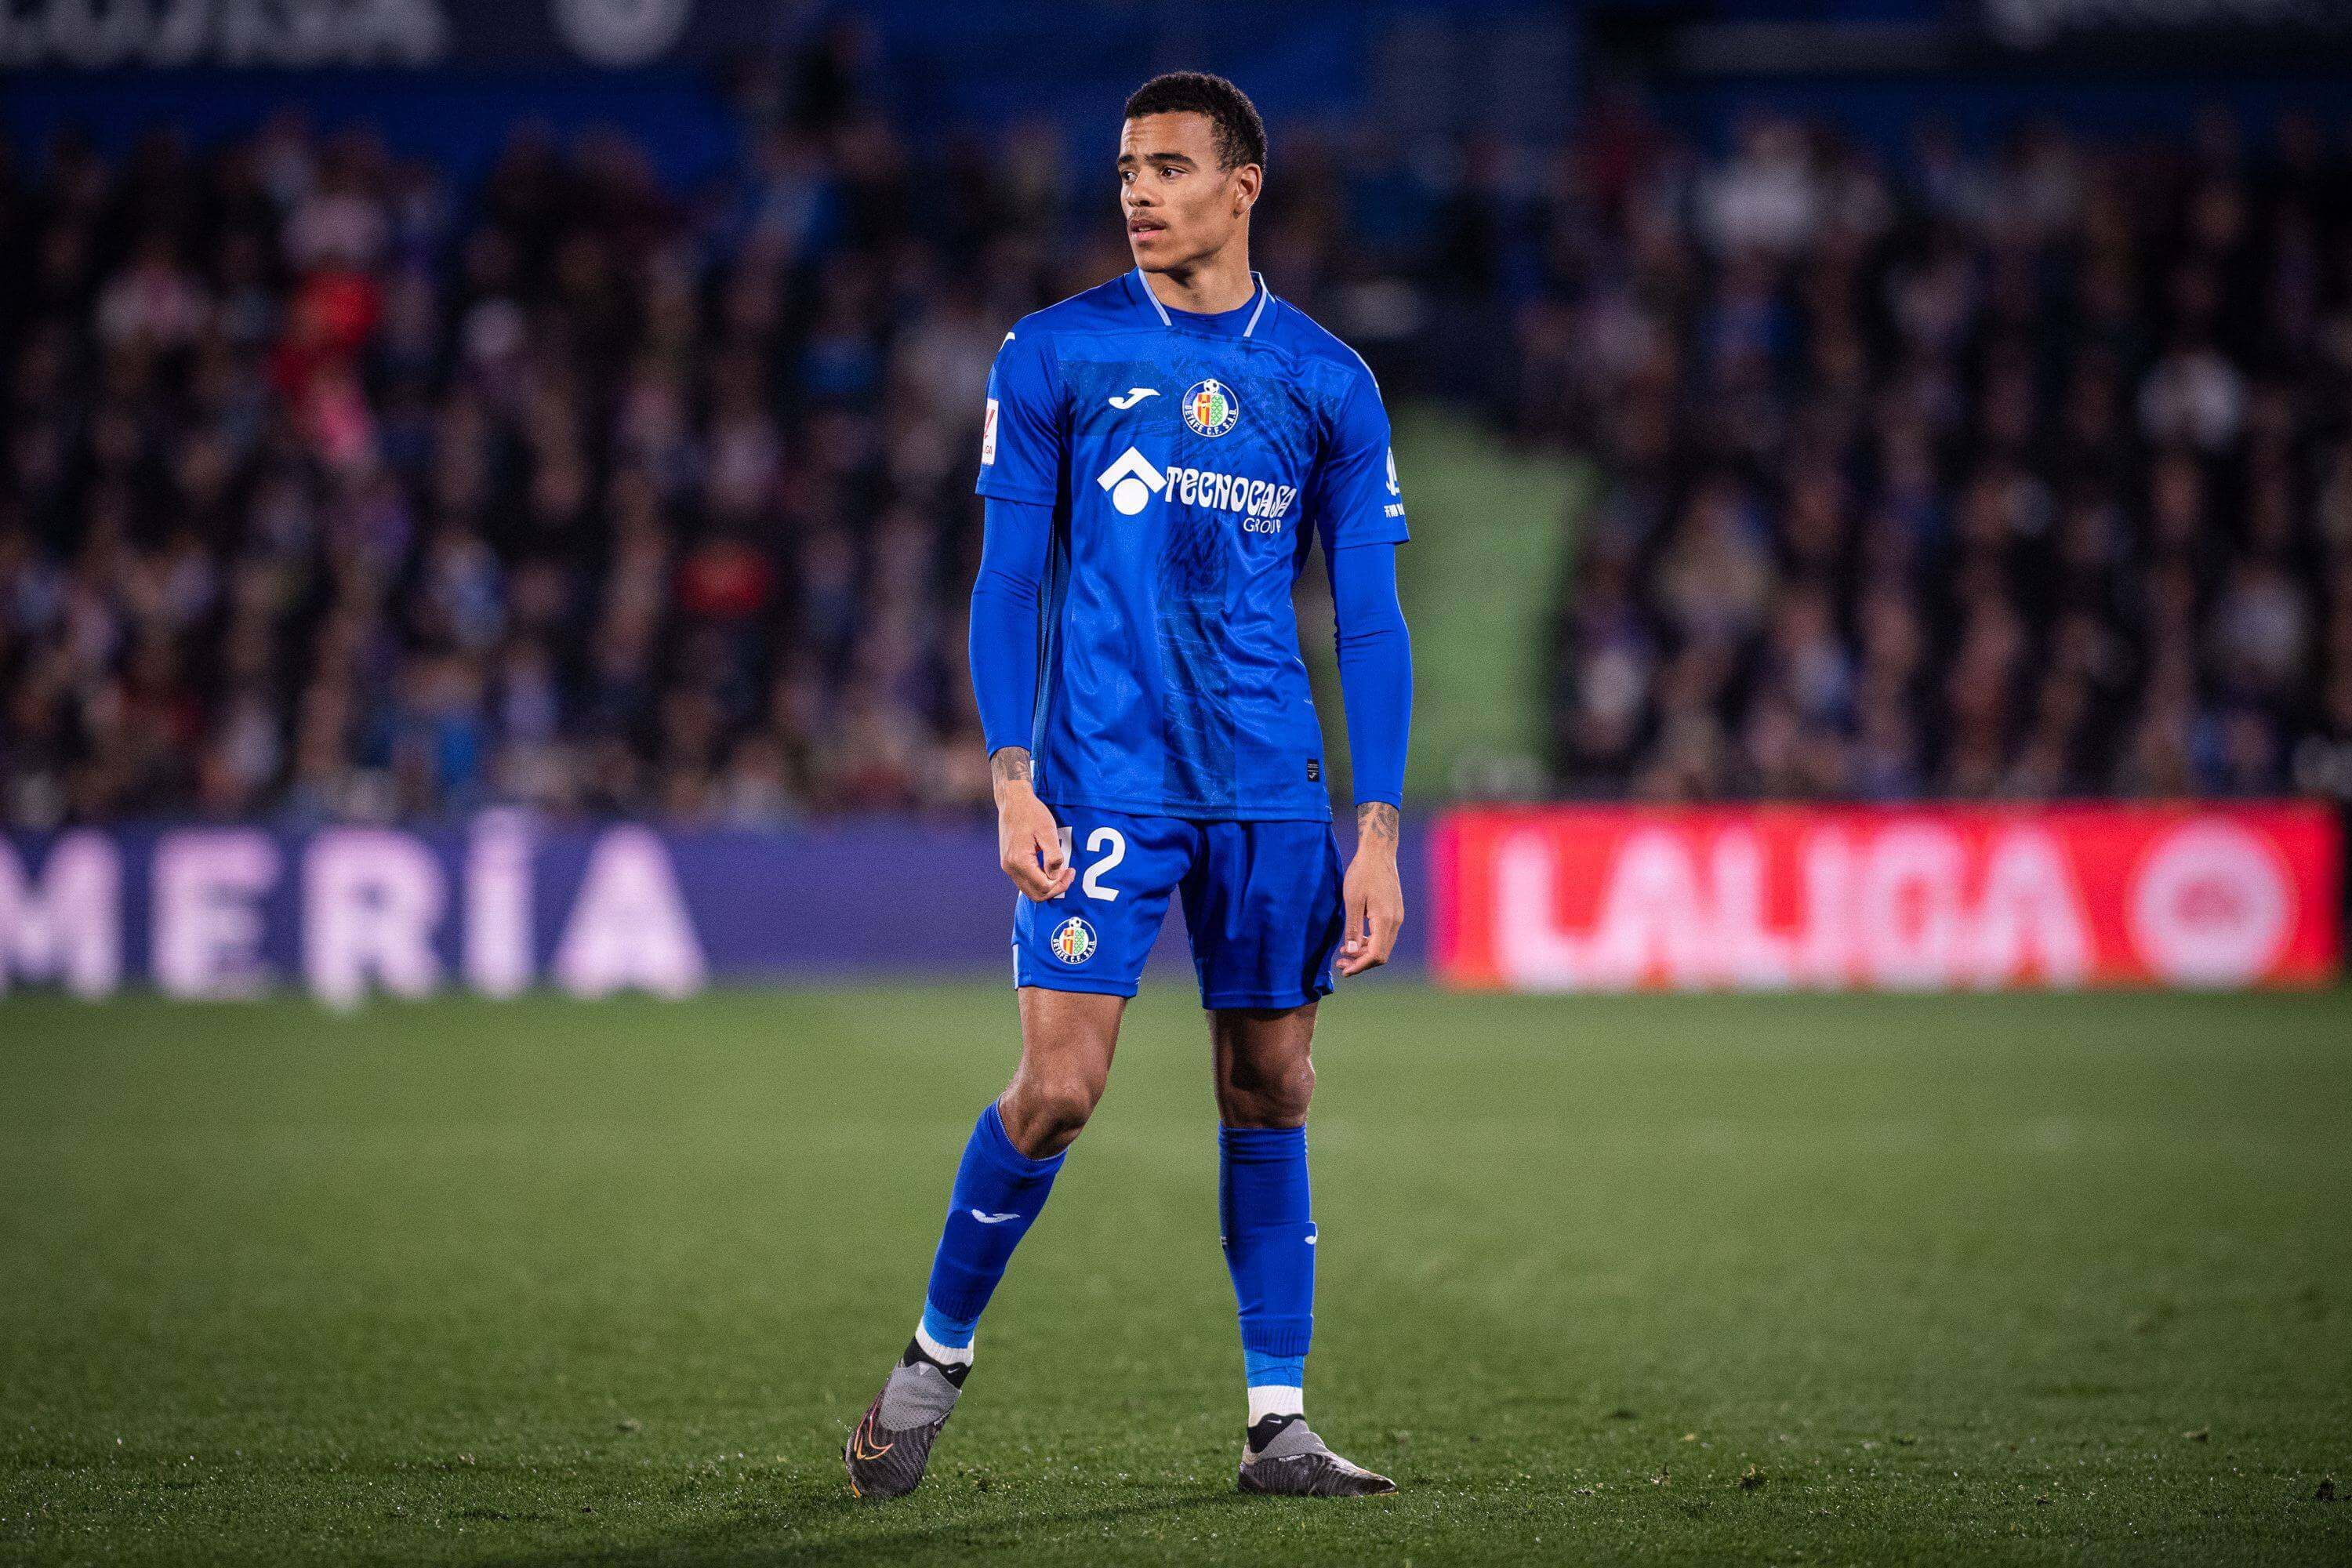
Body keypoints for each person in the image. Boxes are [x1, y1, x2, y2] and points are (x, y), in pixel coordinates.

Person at [844, 71, 1414, 1501]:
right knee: (1058, 1089)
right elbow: (1010, 578)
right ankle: (931, 1363)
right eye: (1124, 169)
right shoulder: (1055, 355)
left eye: (1168, 167)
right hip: (1100, 783)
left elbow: (1373, 620)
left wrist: (1379, 827)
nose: (1140, 192)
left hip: (1270, 791)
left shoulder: (1328, 381)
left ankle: (1275, 1423)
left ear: (1245, 184)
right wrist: (1010, 773)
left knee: (1272, 1083)